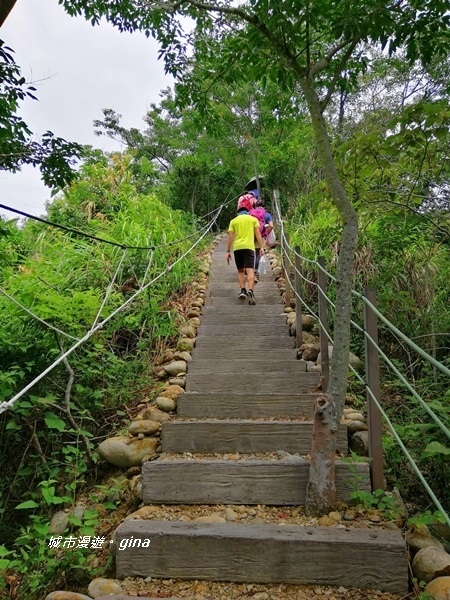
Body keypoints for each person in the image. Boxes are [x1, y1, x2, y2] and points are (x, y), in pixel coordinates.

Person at [226, 193, 265, 305]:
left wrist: (228, 251)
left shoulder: (234, 221)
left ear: (238, 212)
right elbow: (257, 233)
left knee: (240, 270)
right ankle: (251, 291)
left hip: (237, 247)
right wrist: (261, 247)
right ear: (248, 211)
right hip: (249, 247)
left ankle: (242, 290)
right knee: (250, 270)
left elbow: (230, 236)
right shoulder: (253, 220)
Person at [249, 196, 274, 279]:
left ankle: (249, 271)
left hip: (251, 236)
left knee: (250, 254)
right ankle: (256, 272)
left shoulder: (251, 213)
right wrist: (265, 233)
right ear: (264, 206)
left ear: (255, 206)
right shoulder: (267, 215)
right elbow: (271, 226)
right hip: (261, 236)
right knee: (258, 253)